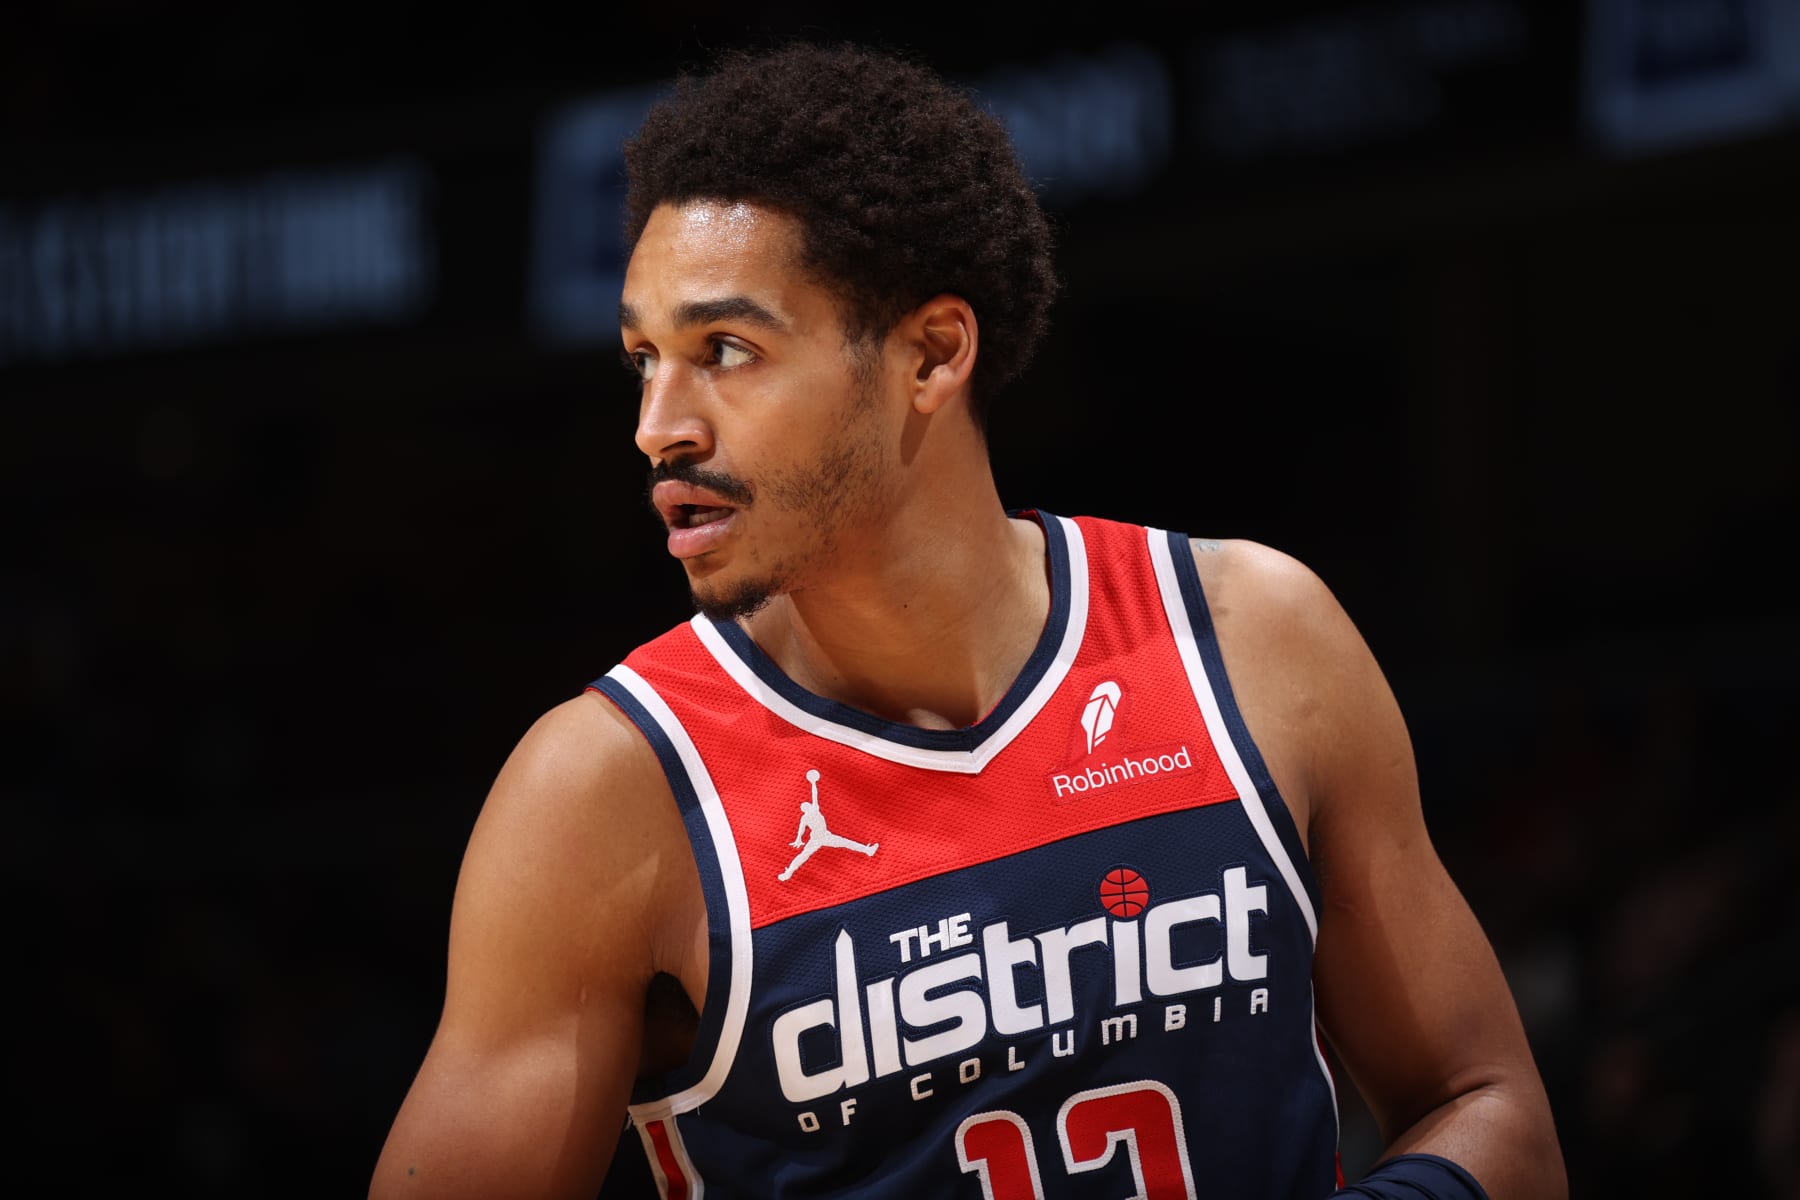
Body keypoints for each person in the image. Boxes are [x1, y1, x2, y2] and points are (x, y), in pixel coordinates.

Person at [370, 41, 1565, 1200]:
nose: (658, 425)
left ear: (931, 353)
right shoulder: (606, 790)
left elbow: (1488, 1102)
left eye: (724, 350)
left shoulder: (1251, 636)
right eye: (643, 359)